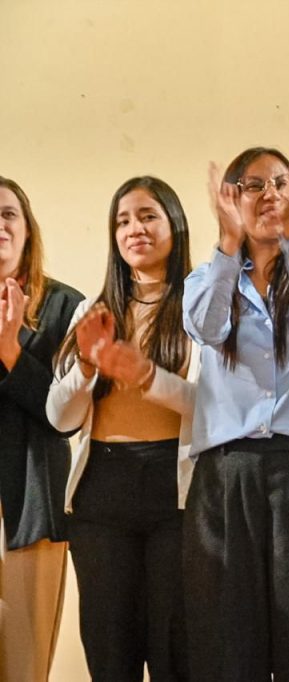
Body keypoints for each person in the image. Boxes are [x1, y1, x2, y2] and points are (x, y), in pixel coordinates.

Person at [183, 147, 289, 681]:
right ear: (231, 198)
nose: (269, 195)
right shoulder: (205, 279)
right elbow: (207, 328)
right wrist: (227, 243)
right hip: (226, 474)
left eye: (280, 183)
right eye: (253, 185)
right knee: (227, 648)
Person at [46, 176, 197, 681]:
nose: (135, 229)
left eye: (148, 216)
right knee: (110, 655)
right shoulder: (94, 311)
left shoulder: (201, 306)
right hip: (102, 492)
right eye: (123, 220)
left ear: (175, 225)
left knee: (177, 652)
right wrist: (88, 367)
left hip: (177, 493)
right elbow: (60, 418)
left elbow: (215, 409)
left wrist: (146, 376)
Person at [0, 177, 83, 682]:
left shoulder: (65, 306)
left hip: (31, 505)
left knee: (23, 666)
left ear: (27, 228)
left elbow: (65, 415)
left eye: (8, 214)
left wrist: (10, 350)